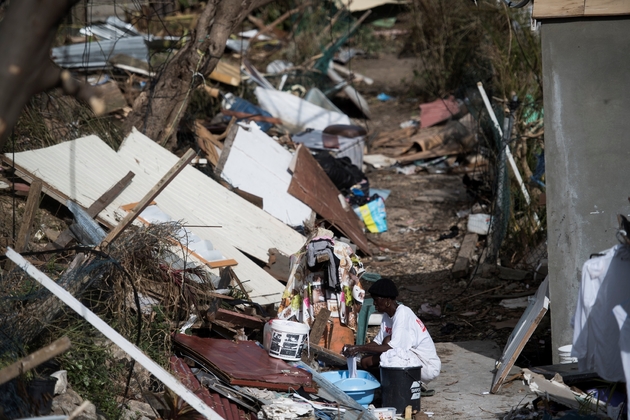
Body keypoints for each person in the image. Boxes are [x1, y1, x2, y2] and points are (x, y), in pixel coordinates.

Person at [342, 278, 441, 385]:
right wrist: (356, 349)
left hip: (426, 365)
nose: (374, 303)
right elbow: (377, 343)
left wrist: (359, 348)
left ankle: (399, 386)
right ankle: (382, 387)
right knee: (366, 361)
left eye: (376, 300)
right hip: (410, 359)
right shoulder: (387, 315)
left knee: (388, 341)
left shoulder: (402, 314)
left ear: (388, 301)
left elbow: (393, 347)